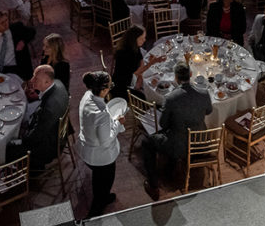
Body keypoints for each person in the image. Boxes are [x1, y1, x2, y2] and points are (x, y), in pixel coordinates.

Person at [140, 62, 211, 201]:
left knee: (147, 142)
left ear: (176, 78)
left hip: (179, 146)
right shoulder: (204, 93)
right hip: (200, 143)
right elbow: (209, 111)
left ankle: (153, 186)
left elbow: (163, 124)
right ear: (191, 75)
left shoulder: (170, 98)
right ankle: (170, 167)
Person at [78, 70, 125, 218]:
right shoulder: (102, 114)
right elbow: (106, 141)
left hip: (87, 148)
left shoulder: (87, 96)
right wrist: (117, 122)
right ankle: (96, 213)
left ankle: (102, 198)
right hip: (101, 157)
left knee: (98, 180)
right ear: (104, 90)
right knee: (103, 183)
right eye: (110, 87)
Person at [8, 65, 69, 170]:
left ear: (47, 82)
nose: (32, 80)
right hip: (56, 132)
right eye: (33, 76)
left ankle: (28, 171)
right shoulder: (58, 83)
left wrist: (20, 140)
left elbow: (35, 138)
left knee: (8, 149)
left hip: (48, 147)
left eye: (36, 78)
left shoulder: (50, 108)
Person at [0, 11, 35, 78]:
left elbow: (32, 31)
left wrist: (23, 41)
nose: (6, 24)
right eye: (2, 23)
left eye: (6, 20)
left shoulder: (17, 28)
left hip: (17, 67)